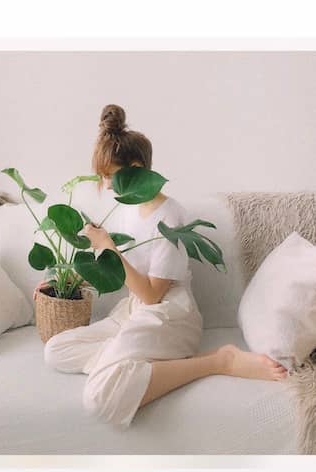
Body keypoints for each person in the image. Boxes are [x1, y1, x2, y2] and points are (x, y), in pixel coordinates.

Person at [41, 104, 287, 428]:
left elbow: (152, 295)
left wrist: (110, 248)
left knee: (100, 398)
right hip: (132, 312)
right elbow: (106, 265)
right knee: (56, 350)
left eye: (110, 175)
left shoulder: (170, 215)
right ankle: (128, 361)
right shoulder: (127, 208)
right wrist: (60, 280)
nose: (108, 186)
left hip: (169, 315)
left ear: (136, 167)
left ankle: (217, 361)